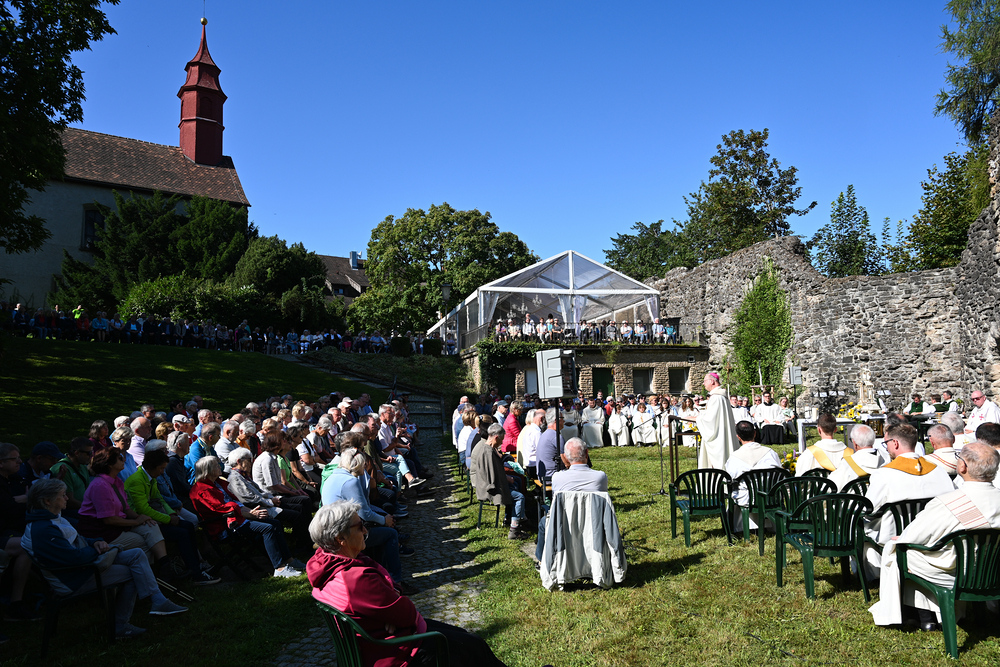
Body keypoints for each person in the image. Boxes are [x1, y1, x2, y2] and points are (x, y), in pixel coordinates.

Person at [307, 500, 508, 667]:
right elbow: (407, 613)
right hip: (395, 651)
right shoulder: (354, 579)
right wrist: (392, 610)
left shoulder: (325, 564)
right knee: (473, 646)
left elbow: (393, 601)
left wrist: (389, 610)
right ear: (340, 538)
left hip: (382, 639)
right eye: (360, 526)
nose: (366, 530)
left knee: (465, 637)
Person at [21, 479, 187, 638]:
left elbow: (79, 539)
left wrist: (96, 542)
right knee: (132, 572)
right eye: (62, 495)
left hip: (83, 567)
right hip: (73, 579)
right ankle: (120, 625)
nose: (67, 498)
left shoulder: (53, 518)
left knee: (136, 554)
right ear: (47, 501)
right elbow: (73, 558)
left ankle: (157, 600)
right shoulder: (44, 530)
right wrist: (97, 551)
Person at [870, 442, 1000, 630]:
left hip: (957, 573)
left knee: (898, 551)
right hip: (993, 571)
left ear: (962, 467)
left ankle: (919, 615)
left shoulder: (948, 502)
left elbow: (914, 536)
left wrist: (902, 539)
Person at [863, 424, 956, 577]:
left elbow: (870, 509)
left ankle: (873, 574)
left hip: (895, 534)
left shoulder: (883, 475)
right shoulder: (939, 471)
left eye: (886, 443)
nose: (886, 447)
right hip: (934, 535)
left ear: (895, 443)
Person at [189, 456, 304, 578]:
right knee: (268, 528)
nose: (220, 467)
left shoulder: (217, 483)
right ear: (208, 471)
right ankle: (279, 568)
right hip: (226, 526)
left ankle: (289, 560)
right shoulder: (202, 490)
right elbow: (223, 510)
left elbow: (235, 503)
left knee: (275, 523)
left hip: (238, 517)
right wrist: (251, 514)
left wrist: (251, 512)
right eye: (216, 465)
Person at [319, 446, 414, 592]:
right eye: (364, 464)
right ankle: (396, 582)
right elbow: (365, 513)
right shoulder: (350, 481)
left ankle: (381, 578)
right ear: (357, 464)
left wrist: (383, 517)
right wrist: (384, 520)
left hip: (335, 529)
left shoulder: (333, 476)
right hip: (345, 534)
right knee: (391, 534)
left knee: (382, 527)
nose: (365, 467)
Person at [124, 445, 219, 585]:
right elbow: (143, 509)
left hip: (153, 517)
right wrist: (169, 519)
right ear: (151, 467)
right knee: (182, 533)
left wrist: (171, 512)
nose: (163, 472)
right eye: (161, 468)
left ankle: (197, 565)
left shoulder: (149, 477)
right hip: (142, 520)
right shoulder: (137, 480)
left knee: (188, 525)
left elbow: (159, 498)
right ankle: (196, 573)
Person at [471, 424, 526, 540]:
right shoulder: (488, 453)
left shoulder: (486, 448)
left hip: (490, 484)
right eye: (501, 440)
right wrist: (506, 480)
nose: (502, 443)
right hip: (490, 489)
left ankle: (510, 518)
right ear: (496, 437)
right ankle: (514, 530)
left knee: (517, 481)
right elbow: (492, 478)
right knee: (519, 497)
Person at [724, 421, 781, 531]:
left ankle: (739, 527)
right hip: (770, 497)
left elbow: (731, 478)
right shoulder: (771, 453)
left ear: (738, 437)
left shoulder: (734, 458)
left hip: (748, 499)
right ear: (755, 433)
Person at [695, 373, 737, 469]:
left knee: (717, 463)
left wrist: (697, 418)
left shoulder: (716, 397)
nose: (703, 384)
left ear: (712, 381)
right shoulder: (721, 396)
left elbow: (710, 421)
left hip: (718, 437)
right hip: (722, 432)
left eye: (705, 381)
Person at [829, 424, 881, 490]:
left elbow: (830, 487)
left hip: (857, 496)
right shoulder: (886, 459)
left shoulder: (848, 463)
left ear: (855, 443)